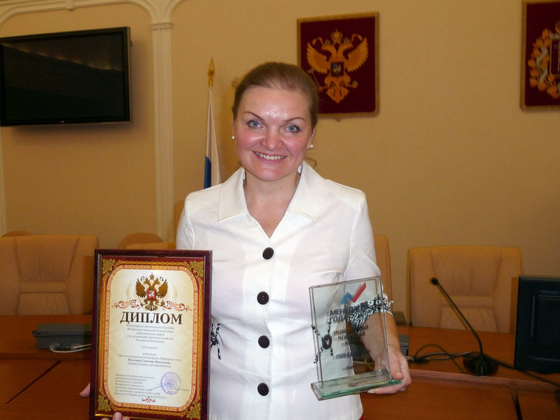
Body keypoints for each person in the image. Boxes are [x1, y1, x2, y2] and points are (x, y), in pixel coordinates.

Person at [84, 61, 410, 420]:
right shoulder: (198, 212)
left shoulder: (347, 208)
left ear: (311, 135)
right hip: (223, 410)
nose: (271, 142)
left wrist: (387, 351)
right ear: (234, 126)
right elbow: (179, 319)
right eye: (255, 123)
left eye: (291, 127)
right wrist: (129, 376)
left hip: (320, 412)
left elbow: (365, 305)